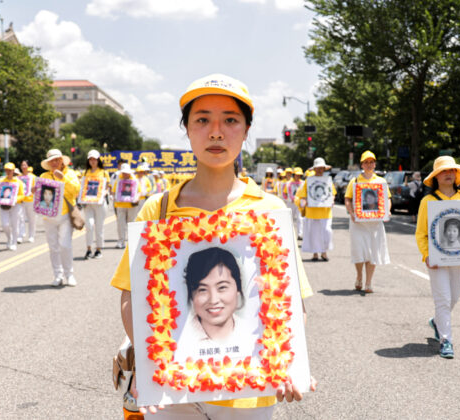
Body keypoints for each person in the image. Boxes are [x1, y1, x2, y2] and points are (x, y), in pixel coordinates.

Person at [111, 73, 316, 418]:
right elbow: (132, 295)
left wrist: (286, 359)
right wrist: (154, 362)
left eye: (230, 120)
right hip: (174, 394)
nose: (216, 132)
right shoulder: (157, 210)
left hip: (249, 395)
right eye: (202, 119)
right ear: (188, 129)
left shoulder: (269, 211)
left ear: (247, 131)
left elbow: (291, 301)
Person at [415, 156, 460, 359]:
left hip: (459, 259)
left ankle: (436, 321)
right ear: (436, 176)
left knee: (454, 297)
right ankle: (446, 340)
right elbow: (421, 233)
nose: (448, 174)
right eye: (444, 171)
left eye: (451, 171)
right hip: (436, 260)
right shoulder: (428, 201)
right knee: (443, 299)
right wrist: (426, 254)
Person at [176, 247, 254, 361]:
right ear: (192, 295)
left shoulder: (253, 335)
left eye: (222, 287)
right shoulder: (178, 343)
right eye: (202, 290)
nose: (213, 300)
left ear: (238, 288)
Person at [344, 151, 391, 293]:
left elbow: (387, 199)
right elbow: (347, 198)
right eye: (366, 162)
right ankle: (359, 276)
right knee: (359, 250)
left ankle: (369, 282)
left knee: (372, 252)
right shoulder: (355, 181)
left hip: (375, 223)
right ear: (362, 164)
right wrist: (351, 212)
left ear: (375, 164)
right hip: (358, 223)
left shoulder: (381, 182)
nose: (369, 165)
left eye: (371, 162)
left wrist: (387, 211)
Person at [40, 149, 80, 287]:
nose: (54, 163)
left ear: (61, 161)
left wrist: (63, 178)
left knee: (65, 245)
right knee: (53, 247)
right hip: (48, 216)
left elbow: (75, 191)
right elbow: (41, 198)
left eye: (57, 160)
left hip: (64, 215)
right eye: (52, 160)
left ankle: (69, 274)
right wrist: (35, 191)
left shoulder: (70, 173)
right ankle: (58, 275)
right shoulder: (44, 175)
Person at [295, 157, 335, 262]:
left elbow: (332, 194)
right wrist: (304, 204)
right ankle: (316, 254)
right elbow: (302, 197)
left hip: (326, 212)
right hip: (312, 212)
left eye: (322, 168)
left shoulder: (328, 180)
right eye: (318, 168)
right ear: (314, 169)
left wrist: (332, 201)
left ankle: (324, 251)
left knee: (327, 231)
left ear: (324, 169)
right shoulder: (308, 181)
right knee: (314, 234)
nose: (320, 170)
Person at [82, 150, 110, 259]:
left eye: (94, 159)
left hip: (100, 203)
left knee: (99, 226)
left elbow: (107, 187)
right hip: (88, 203)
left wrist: (104, 193)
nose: (92, 161)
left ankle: (98, 249)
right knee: (89, 225)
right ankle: (89, 248)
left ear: (98, 160)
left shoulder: (103, 172)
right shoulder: (85, 173)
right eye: (90, 159)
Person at [0, 162, 25, 251]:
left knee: (15, 224)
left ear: (13, 171)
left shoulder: (18, 182)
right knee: (5, 224)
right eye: (6, 170)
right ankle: (9, 238)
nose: (8, 172)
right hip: (4, 206)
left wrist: (14, 200)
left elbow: (22, 195)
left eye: (10, 170)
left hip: (16, 206)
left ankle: (13, 242)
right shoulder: (2, 181)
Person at [113, 163, 139, 249]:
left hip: (132, 205)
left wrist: (136, 198)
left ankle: (132, 241)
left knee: (131, 223)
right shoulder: (118, 180)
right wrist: (113, 197)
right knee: (120, 224)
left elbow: (139, 191)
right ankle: (121, 241)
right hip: (120, 205)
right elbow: (114, 191)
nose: (124, 174)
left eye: (126, 173)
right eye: (123, 172)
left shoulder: (134, 180)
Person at [18, 160, 37, 243]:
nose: (23, 167)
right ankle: (21, 235)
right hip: (21, 200)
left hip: (31, 200)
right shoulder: (18, 177)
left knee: (31, 219)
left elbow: (36, 188)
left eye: (25, 165)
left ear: (28, 166)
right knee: (20, 218)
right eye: (22, 165)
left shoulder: (33, 177)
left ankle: (31, 235)